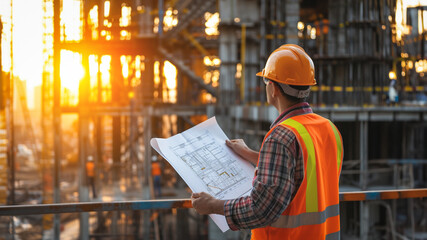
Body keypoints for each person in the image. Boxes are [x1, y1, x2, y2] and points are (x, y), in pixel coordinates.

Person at [191, 44, 343, 239]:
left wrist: (212, 205)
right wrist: (252, 155)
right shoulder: (329, 128)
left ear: (273, 88)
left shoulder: (281, 137)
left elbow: (262, 208)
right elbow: (303, 170)